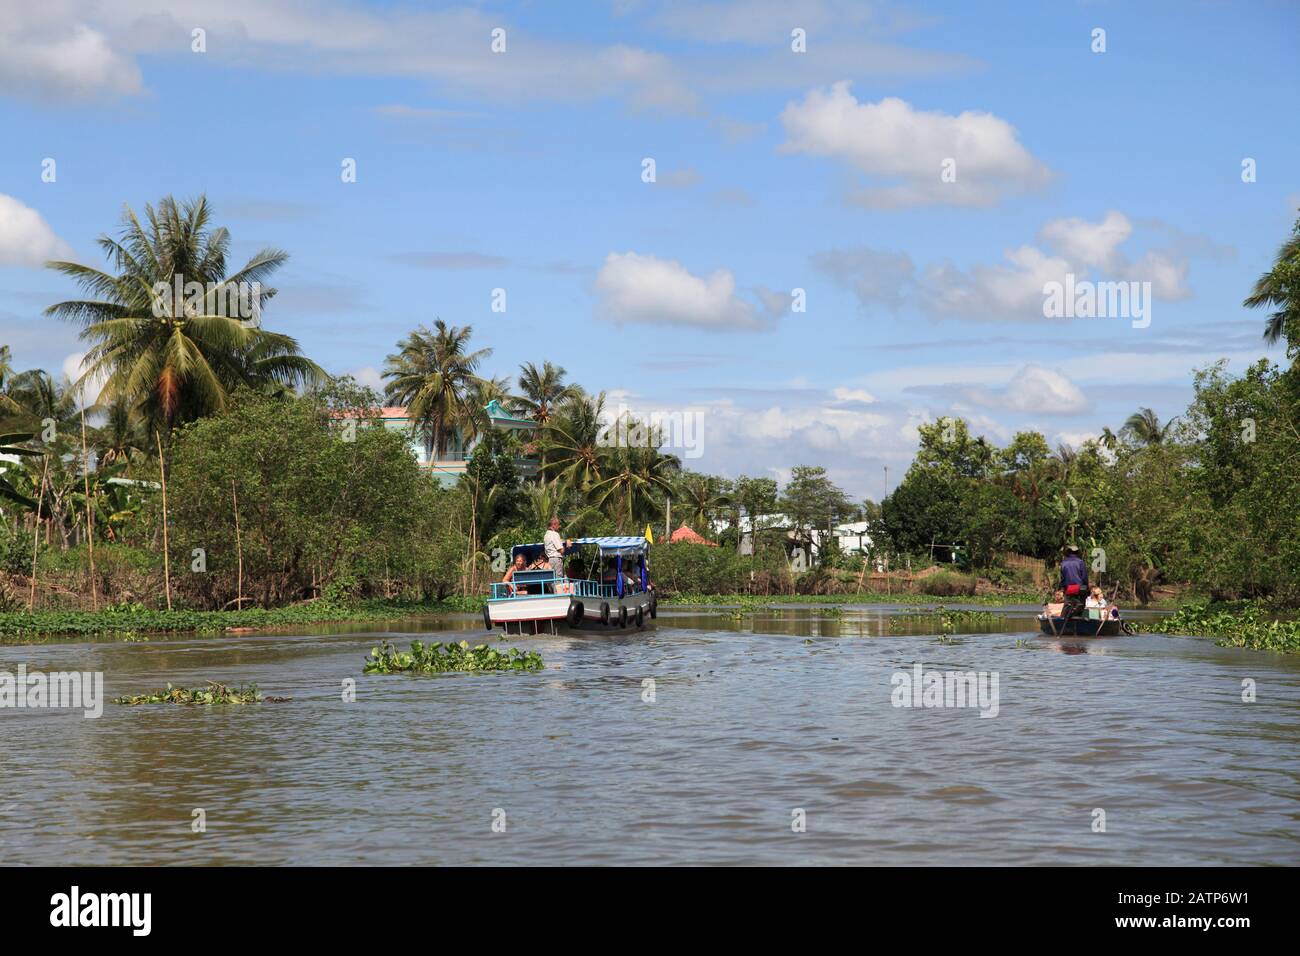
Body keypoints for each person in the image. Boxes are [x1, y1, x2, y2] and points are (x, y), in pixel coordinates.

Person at [1060, 544, 1088, 617]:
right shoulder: (1080, 562)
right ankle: (1076, 617)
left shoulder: (1063, 563)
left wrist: (1063, 588)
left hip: (1068, 588)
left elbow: (1062, 578)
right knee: (1080, 604)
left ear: (1068, 552)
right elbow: (1084, 578)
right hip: (1079, 588)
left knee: (1067, 605)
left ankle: (1065, 618)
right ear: (1077, 553)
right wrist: (1087, 588)